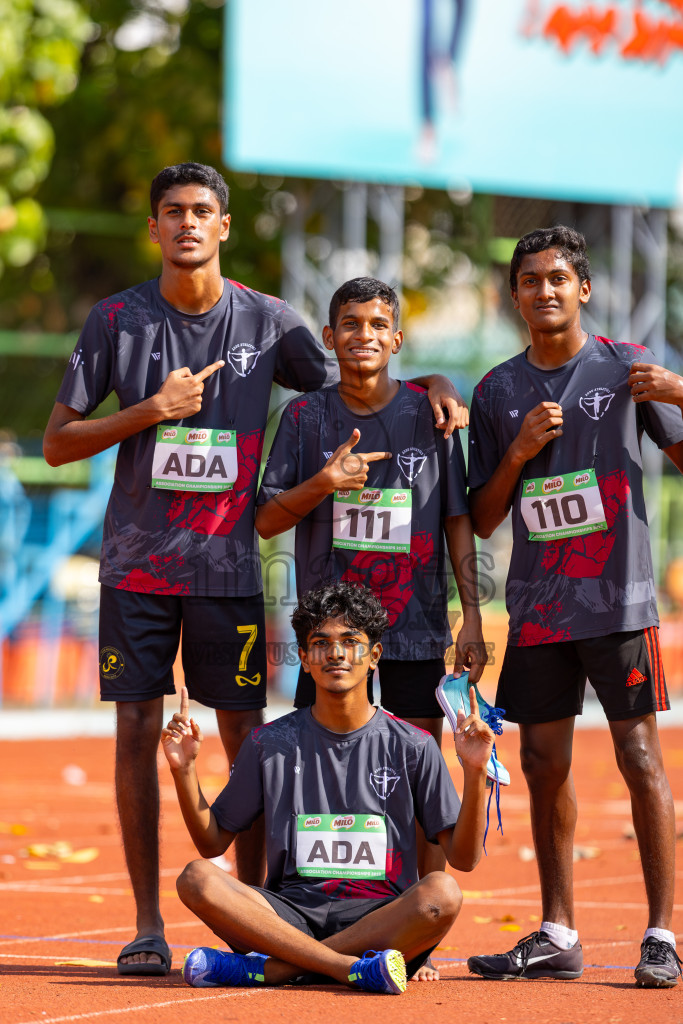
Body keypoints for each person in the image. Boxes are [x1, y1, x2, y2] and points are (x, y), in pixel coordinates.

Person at [42, 163, 468, 976]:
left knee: (247, 739)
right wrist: (150, 411)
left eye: (201, 210)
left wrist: (433, 383)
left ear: (223, 226)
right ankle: (146, 926)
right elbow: (59, 442)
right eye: (172, 211)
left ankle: (262, 920)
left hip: (228, 571)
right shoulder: (116, 320)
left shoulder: (269, 322)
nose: (187, 222)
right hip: (135, 568)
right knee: (135, 735)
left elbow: (358, 375)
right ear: (155, 227)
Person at [465, 226, 683, 988]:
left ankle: (661, 935)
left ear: (582, 288)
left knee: (638, 756)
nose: (544, 291)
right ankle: (557, 932)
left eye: (557, 278)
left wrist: (679, 393)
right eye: (529, 280)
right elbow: (482, 517)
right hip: (538, 609)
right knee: (540, 763)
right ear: (514, 295)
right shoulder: (495, 392)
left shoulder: (626, 367)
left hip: (618, 602)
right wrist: (517, 453)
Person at [254, 278, 487, 925]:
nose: (365, 335)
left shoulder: (432, 416)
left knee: (422, 773)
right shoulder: (303, 418)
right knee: (317, 771)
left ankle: (420, 925)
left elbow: (457, 519)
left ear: (397, 339)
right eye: (351, 324)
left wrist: (471, 614)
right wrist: (324, 482)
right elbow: (266, 520)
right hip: (329, 638)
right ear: (330, 338)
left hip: (413, 625)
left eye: (379, 324)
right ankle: (313, 911)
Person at [161, 581, 495, 993]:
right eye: (321, 643)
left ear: (374, 656)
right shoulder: (269, 743)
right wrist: (183, 770)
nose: (336, 653)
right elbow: (211, 842)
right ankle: (345, 967)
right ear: (304, 658)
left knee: (443, 892)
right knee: (196, 879)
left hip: (380, 921)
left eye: (350, 641)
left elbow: (464, 859)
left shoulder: (414, 745)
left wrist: (476, 772)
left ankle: (278, 970)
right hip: (287, 917)